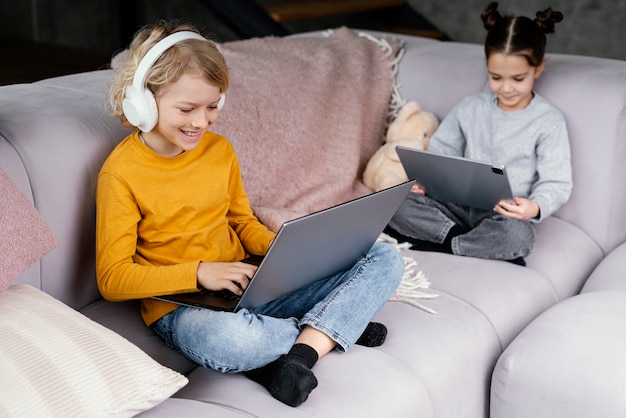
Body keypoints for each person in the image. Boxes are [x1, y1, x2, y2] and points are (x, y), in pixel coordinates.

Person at [96, 21, 405, 408]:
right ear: (142, 101)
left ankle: (308, 345)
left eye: (212, 107)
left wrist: (286, 249)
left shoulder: (218, 150)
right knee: (233, 341)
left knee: (383, 256)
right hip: (182, 308)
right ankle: (329, 329)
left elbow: (242, 222)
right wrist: (199, 272)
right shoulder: (121, 173)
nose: (201, 122)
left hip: (249, 284)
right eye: (187, 109)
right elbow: (111, 278)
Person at [385, 2, 572, 266]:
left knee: (519, 237)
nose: (506, 88)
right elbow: (443, 151)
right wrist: (427, 182)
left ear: (538, 69)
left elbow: (557, 182)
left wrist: (534, 207)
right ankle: (465, 244)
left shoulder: (548, 121)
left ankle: (441, 242)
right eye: (496, 77)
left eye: (518, 79)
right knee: (396, 199)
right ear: (487, 66)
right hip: (455, 204)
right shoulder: (470, 107)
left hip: (503, 215)